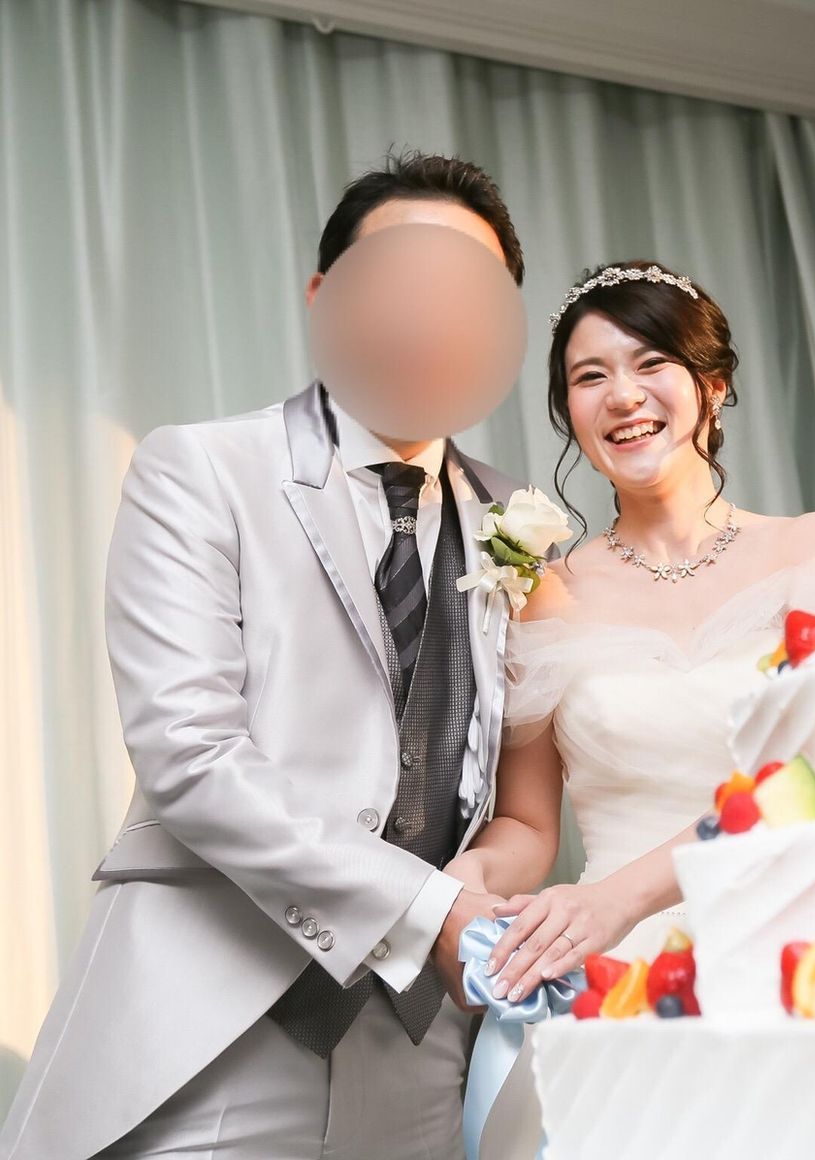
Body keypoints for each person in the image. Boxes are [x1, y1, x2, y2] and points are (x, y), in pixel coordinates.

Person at [1, 152, 529, 1160]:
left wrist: (476, 905)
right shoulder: (199, 468)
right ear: (325, 297)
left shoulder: (518, 520)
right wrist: (431, 910)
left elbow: (512, 788)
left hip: (422, 1045)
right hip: (214, 1019)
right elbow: (190, 754)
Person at [445, 260, 815, 1156]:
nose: (623, 395)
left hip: (802, 947)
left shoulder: (812, 550)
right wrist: (457, 892)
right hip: (622, 973)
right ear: (569, 413)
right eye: (589, 376)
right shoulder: (541, 591)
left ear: (711, 385)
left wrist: (617, 900)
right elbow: (528, 823)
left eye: (651, 363)